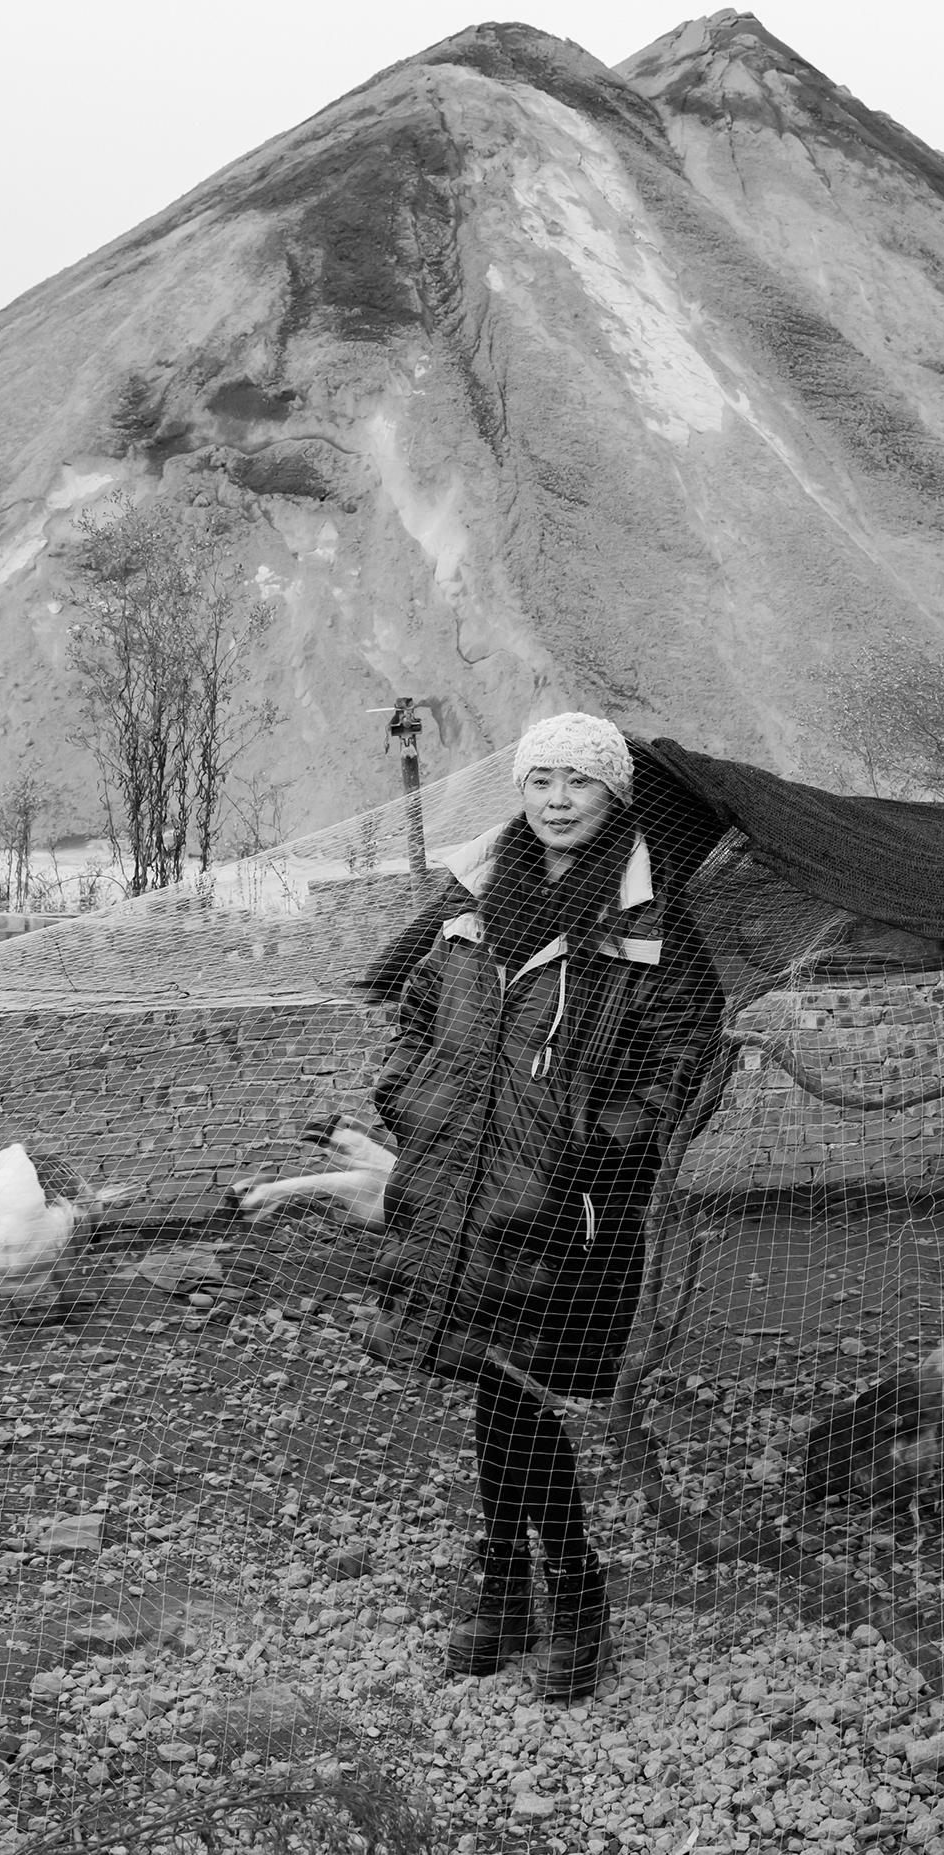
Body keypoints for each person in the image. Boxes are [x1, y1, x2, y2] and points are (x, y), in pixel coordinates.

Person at [365, 713, 724, 1702]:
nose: (558, 799)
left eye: (580, 782)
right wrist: (413, 1099)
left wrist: (588, 1143)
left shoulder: (652, 920)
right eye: (541, 781)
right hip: (460, 1189)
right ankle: (519, 1592)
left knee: (518, 1392)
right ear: (520, 793)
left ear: (614, 796)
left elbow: (688, 1056)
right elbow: (419, 1014)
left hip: (571, 1208)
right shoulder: (474, 902)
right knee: (496, 1389)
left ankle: (561, 1589)